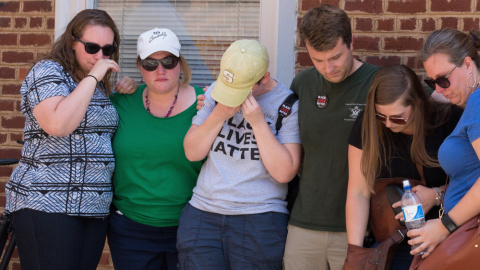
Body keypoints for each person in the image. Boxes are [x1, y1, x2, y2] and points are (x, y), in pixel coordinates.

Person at [5, 9, 135, 269]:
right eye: (92, 47)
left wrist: (124, 90)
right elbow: (58, 124)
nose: (100, 56)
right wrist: (94, 77)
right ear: (72, 43)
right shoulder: (48, 71)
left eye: (108, 49)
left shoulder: (96, 84)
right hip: (45, 203)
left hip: (94, 206)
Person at [177, 39, 302, 269]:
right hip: (204, 212)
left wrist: (258, 123)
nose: (233, 94)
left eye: (242, 87)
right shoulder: (216, 91)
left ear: (264, 77)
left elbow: (285, 173)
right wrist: (219, 113)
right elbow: (192, 152)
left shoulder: (286, 104)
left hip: (260, 217)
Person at [282, 5, 380, 270]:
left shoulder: (378, 83)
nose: (328, 68)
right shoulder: (303, 83)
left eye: (335, 57)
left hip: (358, 228)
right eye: (318, 60)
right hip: (304, 222)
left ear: (351, 42)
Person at [345, 64, 462, 269]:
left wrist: (435, 195)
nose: (388, 124)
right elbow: (358, 192)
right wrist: (355, 252)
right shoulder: (367, 124)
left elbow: (471, 183)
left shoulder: (447, 120)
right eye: (381, 116)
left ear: (417, 103)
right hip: (389, 246)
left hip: (443, 241)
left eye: (397, 117)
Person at [107, 28, 204, 270]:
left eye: (168, 61)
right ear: (140, 67)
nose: (160, 70)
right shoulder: (120, 102)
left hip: (192, 226)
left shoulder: (206, 103)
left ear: (179, 64)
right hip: (130, 229)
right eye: (150, 63)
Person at [407, 28, 480, 258]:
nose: (438, 88)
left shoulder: (477, 103)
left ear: (468, 64)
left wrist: (443, 227)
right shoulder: (471, 99)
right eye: (431, 80)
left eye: (442, 79)